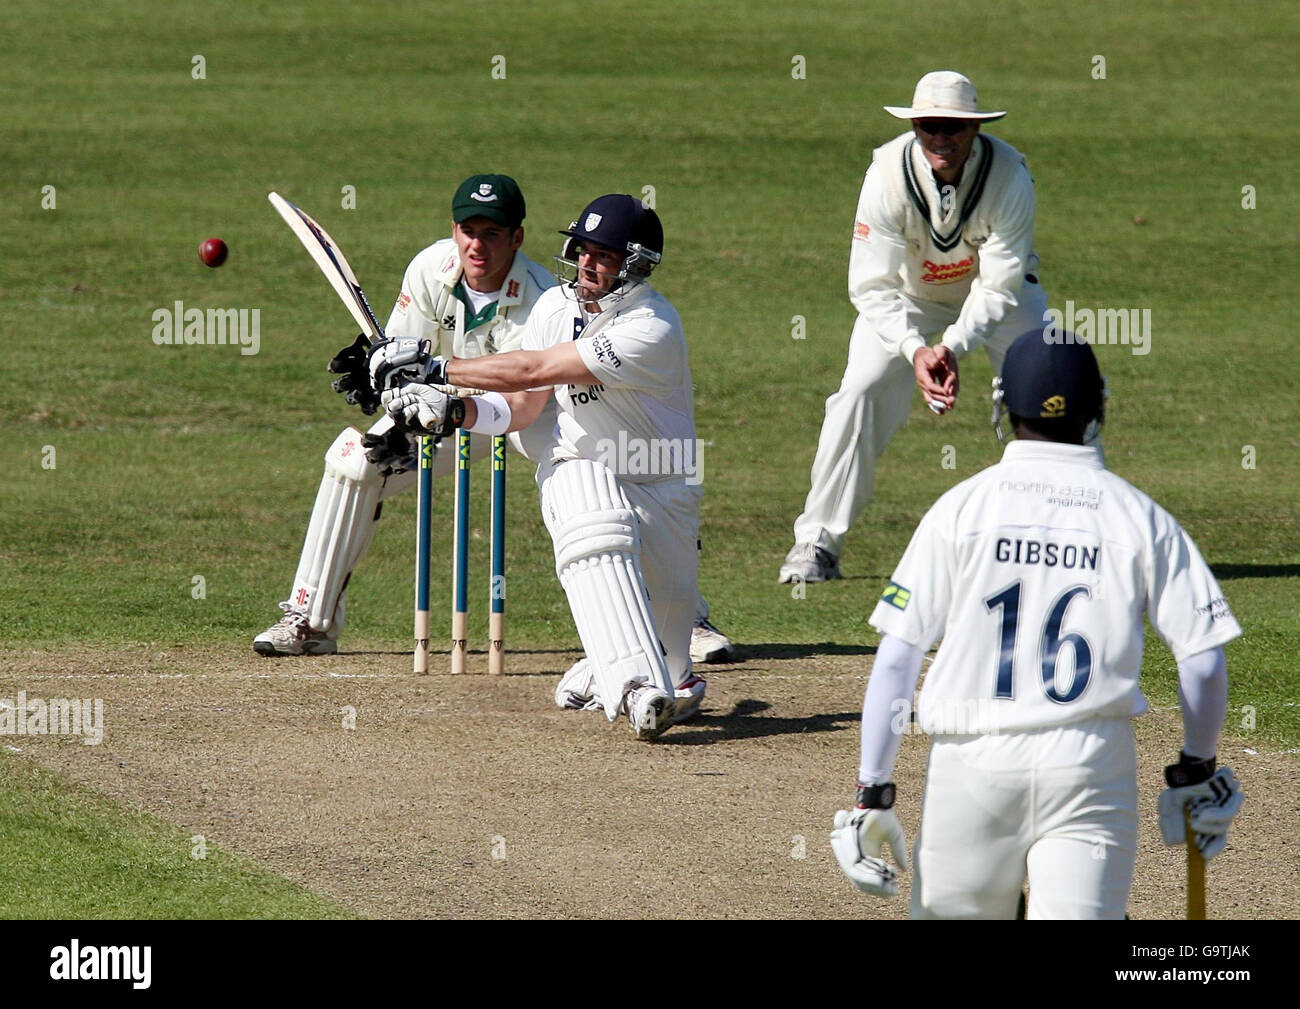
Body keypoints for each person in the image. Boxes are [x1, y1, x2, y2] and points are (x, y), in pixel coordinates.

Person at [829, 330, 1244, 919]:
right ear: (1098, 407)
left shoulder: (961, 508)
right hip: (1090, 765)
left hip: (971, 764)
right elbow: (1202, 660)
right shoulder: (1139, 516)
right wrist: (1196, 766)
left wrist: (874, 791)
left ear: (1003, 406)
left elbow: (898, 658)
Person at [253, 176, 734, 666]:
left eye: (493, 234)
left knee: (606, 476)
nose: (477, 245)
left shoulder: (549, 295)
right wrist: (397, 397)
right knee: (353, 461)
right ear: (454, 229)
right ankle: (308, 618)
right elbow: (402, 358)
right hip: (453, 411)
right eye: (468, 230)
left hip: (540, 410)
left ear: (517, 238)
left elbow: (526, 382)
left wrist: (434, 377)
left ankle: (682, 616)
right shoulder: (428, 270)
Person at [370, 194, 706, 739]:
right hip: (586, 461)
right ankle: (632, 686)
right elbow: (525, 405)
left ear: (638, 264)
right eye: (583, 249)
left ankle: (617, 671)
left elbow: (536, 365)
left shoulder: (652, 327)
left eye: (606, 255)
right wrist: (453, 410)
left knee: (675, 669)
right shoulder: (557, 308)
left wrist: (435, 365)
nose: (588, 263)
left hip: (665, 483)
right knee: (590, 514)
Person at [781, 70, 1060, 584]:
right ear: (915, 127)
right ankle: (817, 541)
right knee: (859, 391)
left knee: (1053, 383)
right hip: (907, 299)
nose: (941, 138)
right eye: (929, 125)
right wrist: (915, 350)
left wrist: (951, 347)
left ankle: (1077, 533)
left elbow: (999, 286)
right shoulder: (886, 174)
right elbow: (870, 286)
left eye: (953, 127)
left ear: (976, 129)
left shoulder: (1011, 176)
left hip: (1000, 294)